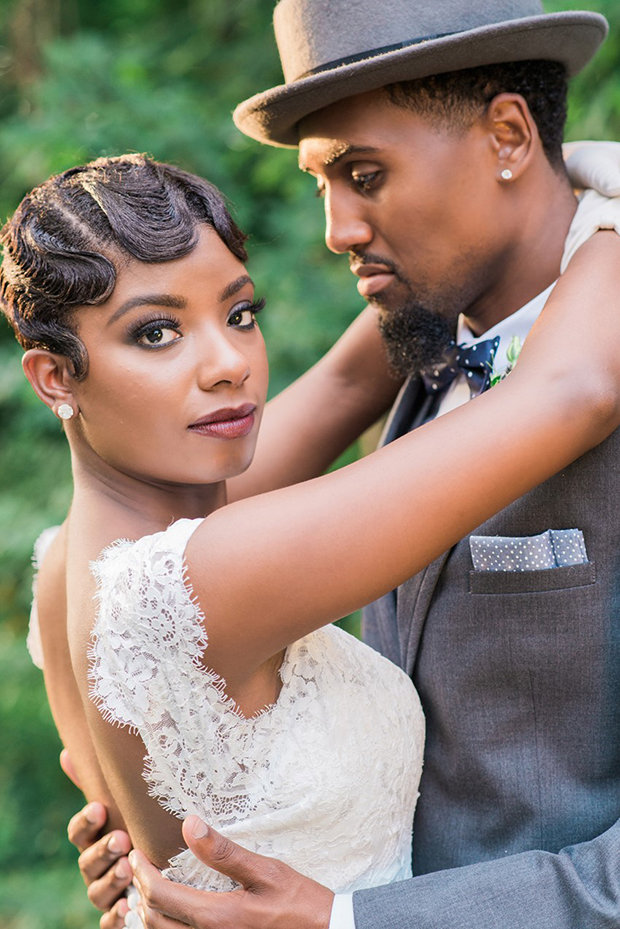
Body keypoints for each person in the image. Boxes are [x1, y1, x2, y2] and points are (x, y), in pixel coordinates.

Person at [64, 2, 620, 929]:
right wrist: (173, 812)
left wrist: (352, 921)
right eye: (322, 181)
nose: (336, 229)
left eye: (365, 175)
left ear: (509, 135)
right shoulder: (422, 349)